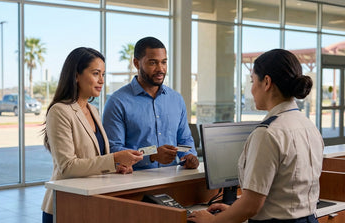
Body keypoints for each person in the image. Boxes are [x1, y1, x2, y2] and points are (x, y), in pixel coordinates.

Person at [187, 49, 324, 223]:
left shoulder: (268, 133)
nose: (251, 89)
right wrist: (233, 211)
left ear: (266, 82)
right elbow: (283, 194)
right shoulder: (308, 126)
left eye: (253, 81)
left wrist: (212, 221)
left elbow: (251, 206)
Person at [41, 47, 143, 223]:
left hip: (90, 203)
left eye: (103, 74)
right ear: (76, 75)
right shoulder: (59, 111)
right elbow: (67, 166)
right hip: (65, 206)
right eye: (96, 73)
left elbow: (95, 160)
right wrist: (114, 159)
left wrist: (117, 167)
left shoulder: (93, 110)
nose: (101, 80)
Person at [103, 36, 199, 171]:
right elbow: (114, 149)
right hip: (134, 182)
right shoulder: (118, 101)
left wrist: (189, 156)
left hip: (175, 179)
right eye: (153, 63)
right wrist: (151, 155)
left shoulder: (176, 99)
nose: (160, 69)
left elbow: (185, 140)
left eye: (164, 62)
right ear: (136, 63)